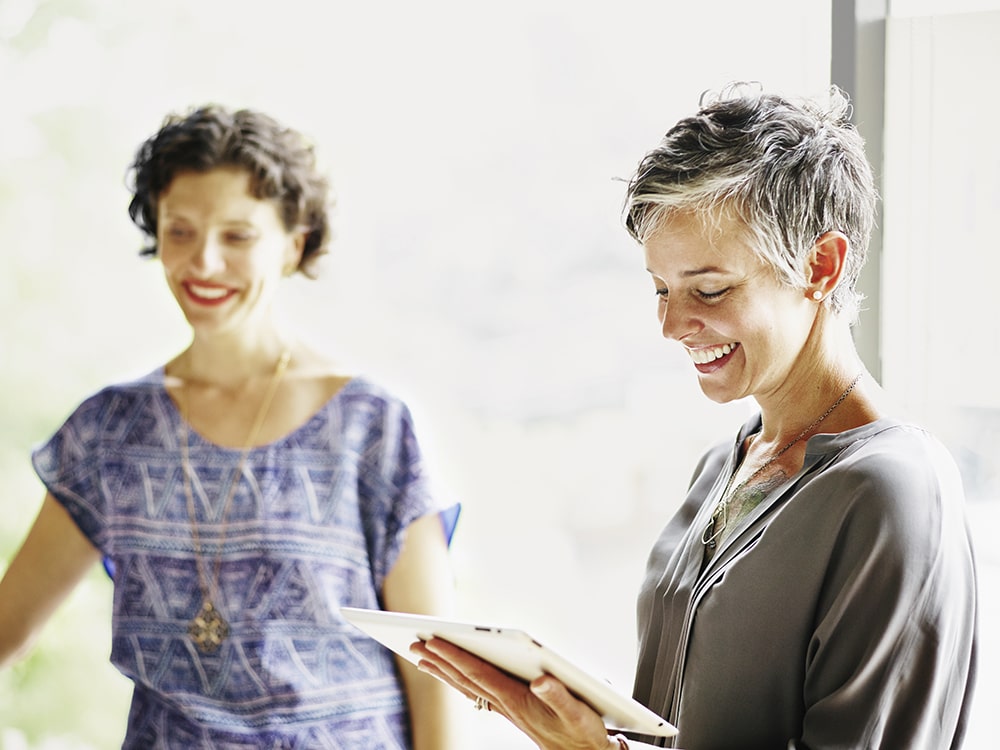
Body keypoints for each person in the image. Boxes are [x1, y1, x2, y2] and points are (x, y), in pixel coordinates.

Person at [412, 84, 978, 749]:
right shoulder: (728, 462)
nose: (672, 324)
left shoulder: (890, 491)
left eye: (710, 288)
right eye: (661, 288)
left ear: (821, 266)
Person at [0, 105, 461, 749]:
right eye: (180, 231)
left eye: (238, 236)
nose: (204, 262)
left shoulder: (373, 427)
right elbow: (7, 629)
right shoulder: (110, 430)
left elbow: (436, 668)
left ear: (293, 244)